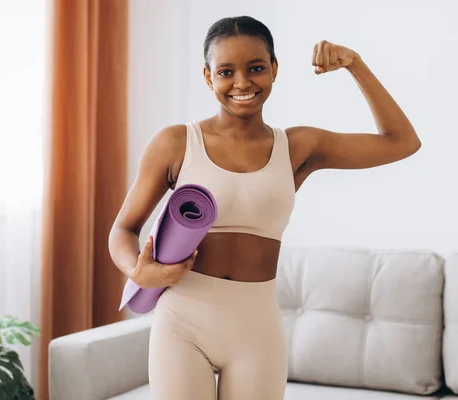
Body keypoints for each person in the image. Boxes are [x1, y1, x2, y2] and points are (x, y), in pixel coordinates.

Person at [108, 15, 421, 400]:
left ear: (274, 70)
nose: (242, 83)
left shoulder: (298, 147)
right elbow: (123, 230)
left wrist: (354, 64)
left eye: (256, 68)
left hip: (256, 329)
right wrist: (139, 271)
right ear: (208, 77)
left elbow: (402, 141)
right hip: (182, 322)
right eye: (226, 72)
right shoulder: (175, 143)